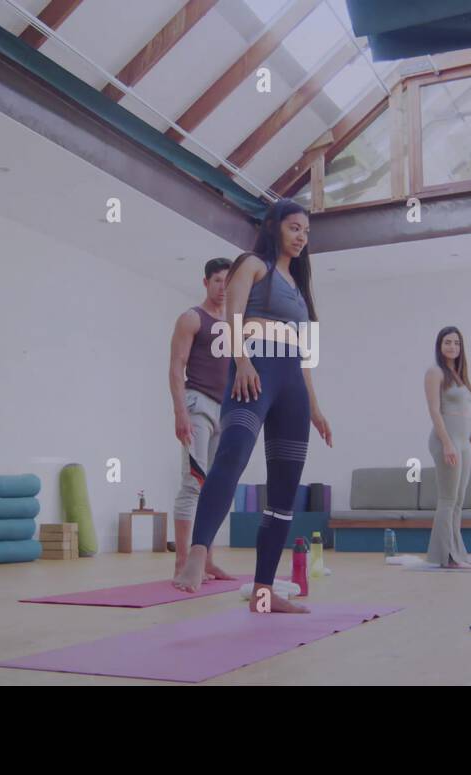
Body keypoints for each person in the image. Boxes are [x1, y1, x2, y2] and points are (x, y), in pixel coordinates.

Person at [171, 198, 333, 614]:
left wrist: (315, 407)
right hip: (255, 371)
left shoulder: (298, 288)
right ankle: (197, 553)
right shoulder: (253, 264)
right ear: (276, 226)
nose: (302, 237)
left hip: (292, 384)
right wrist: (241, 361)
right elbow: (234, 315)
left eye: (307, 232)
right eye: (295, 228)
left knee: (283, 490)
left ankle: (263, 592)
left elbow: (306, 355)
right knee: (231, 458)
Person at [168, 258, 236, 583]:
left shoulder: (235, 325)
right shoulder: (192, 318)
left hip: (227, 412)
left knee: (217, 488)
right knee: (193, 483)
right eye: (218, 281)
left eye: (229, 282)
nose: (224, 288)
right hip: (198, 406)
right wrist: (180, 411)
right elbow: (176, 366)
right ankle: (182, 562)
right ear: (206, 282)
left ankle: (207, 559)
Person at [423, 327, 471, 568]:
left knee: (458, 501)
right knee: (447, 499)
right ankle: (445, 556)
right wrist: (447, 443)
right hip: (445, 440)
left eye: (456, 343)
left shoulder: (458, 374)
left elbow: (466, 415)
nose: (452, 347)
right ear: (440, 345)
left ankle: (457, 554)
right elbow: (434, 411)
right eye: (447, 342)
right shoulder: (434, 372)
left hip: (463, 441)